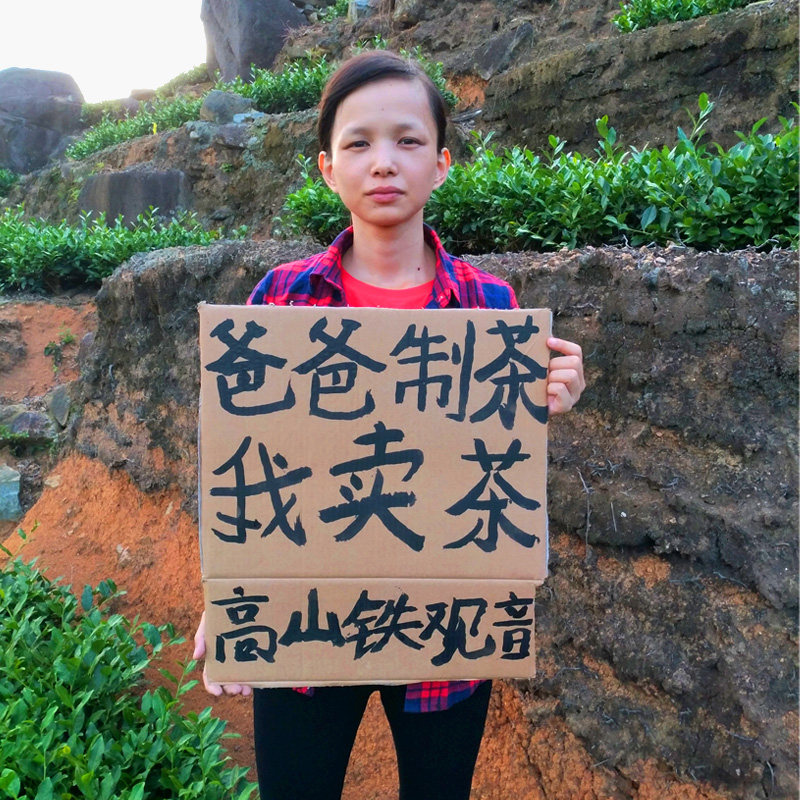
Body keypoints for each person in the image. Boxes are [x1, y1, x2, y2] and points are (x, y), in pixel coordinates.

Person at [193, 50, 585, 800]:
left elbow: (496, 461)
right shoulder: (281, 299)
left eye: (408, 141)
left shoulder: (491, 307)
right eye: (358, 143)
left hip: (447, 631)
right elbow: (241, 453)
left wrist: (550, 395)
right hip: (303, 622)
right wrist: (230, 594)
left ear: (440, 164)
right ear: (327, 168)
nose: (384, 162)